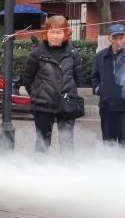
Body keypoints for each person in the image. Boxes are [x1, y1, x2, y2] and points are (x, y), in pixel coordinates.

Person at [21, 14, 82, 152]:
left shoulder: (73, 53)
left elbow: (77, 78)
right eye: (52, 32)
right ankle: (40, 165)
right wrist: (39, 93)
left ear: (66, 34)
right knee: (42, 143)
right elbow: (28, 79)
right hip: (43, 106)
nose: (55, 36)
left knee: (67, 143)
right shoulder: (36, 54)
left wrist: (68, 92)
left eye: (59, 32)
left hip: (67, 104)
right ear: (46, 33)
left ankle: (66, 165)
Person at [93, 22, 125, 146]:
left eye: (121, 38)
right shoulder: (101, 56)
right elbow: (95, 77)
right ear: (109, 38)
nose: (118, 42)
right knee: (109, 145)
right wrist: (99, 89)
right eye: (115, 38)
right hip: (107, 108)